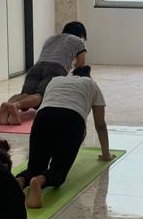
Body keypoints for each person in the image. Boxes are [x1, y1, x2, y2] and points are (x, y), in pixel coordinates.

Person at [16, 65, 114, 209]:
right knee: (58, 171)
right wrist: (106, 154)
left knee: (34, 167)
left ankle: (19, 181)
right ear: (89, 77)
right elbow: (100, 125)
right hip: (72, 120)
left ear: (72, 73)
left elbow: (47, 101)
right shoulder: (92, 84)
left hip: (43, 117)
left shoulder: (56, 80)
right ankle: (39, 181)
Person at [0, 22, 88, 124]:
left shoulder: (51, 38)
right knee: (40, 96)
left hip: (37, 67)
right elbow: (81, 64)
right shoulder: (78, 41)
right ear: (81, 34)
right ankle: (16, 105)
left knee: (25, 94)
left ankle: (7, 104)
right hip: (57, 68)